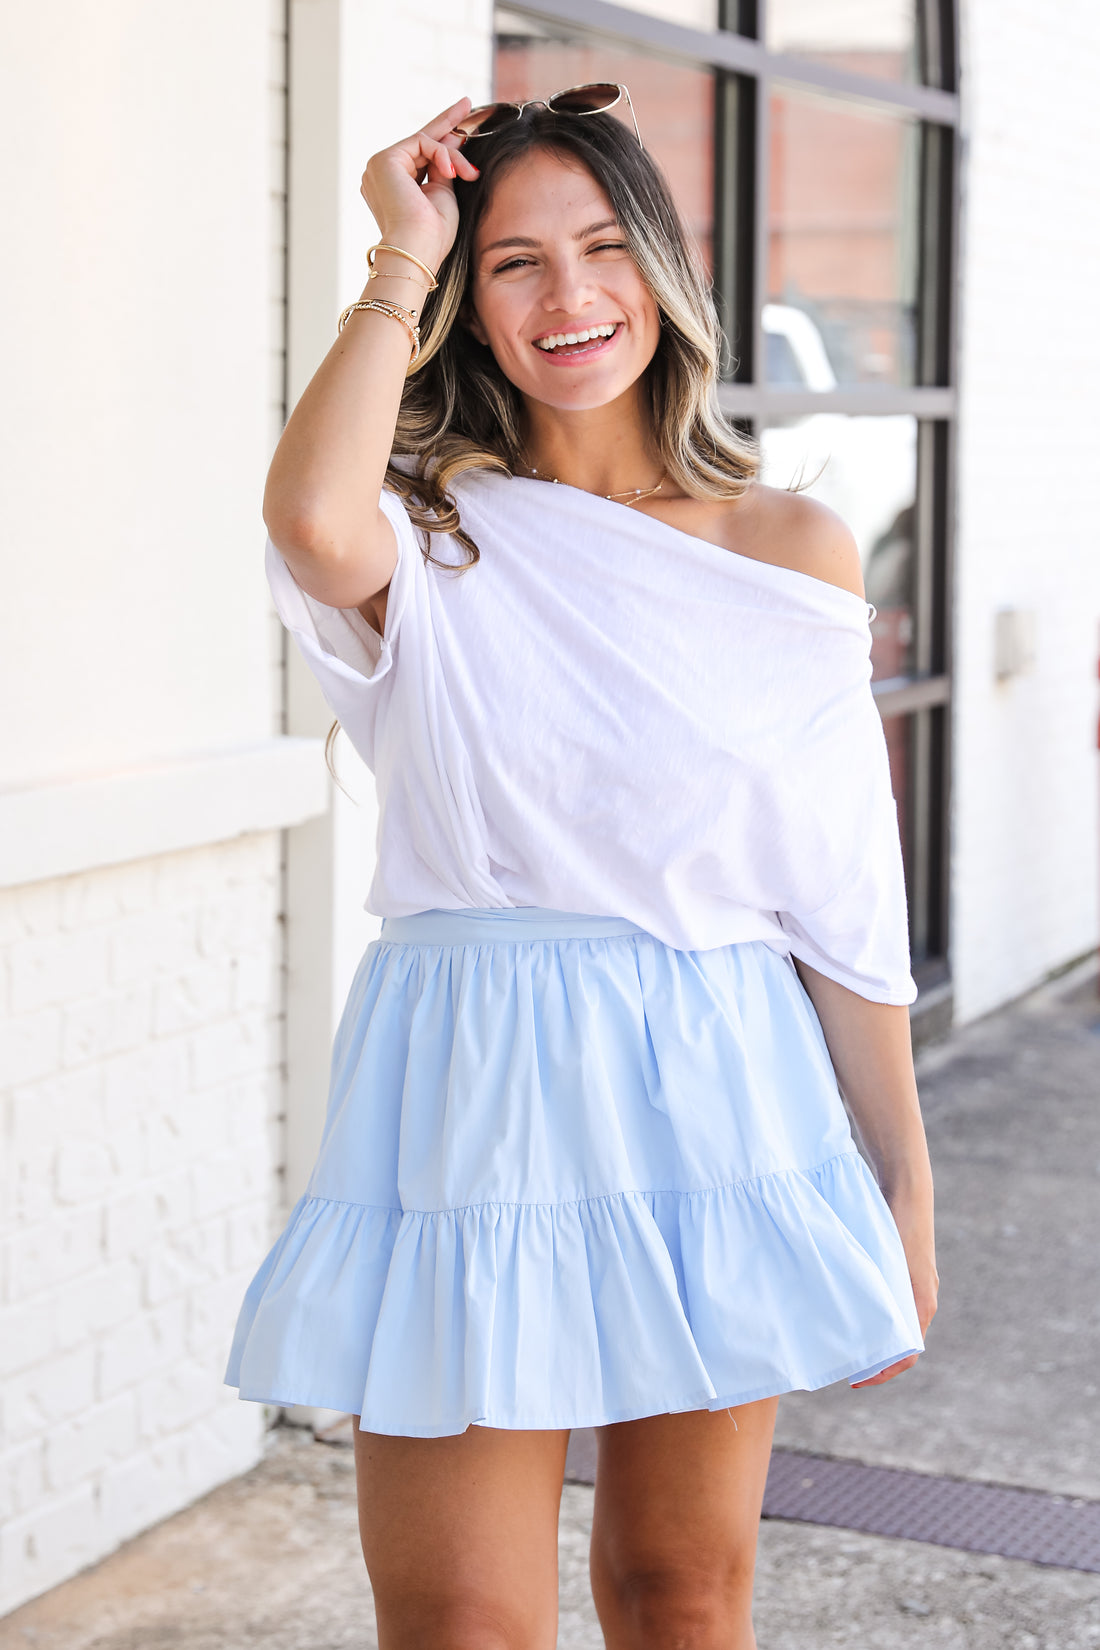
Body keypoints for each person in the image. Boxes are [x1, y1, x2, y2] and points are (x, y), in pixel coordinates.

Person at [225, 87, 938, 1650]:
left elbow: (838, 887)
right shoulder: (427, 530)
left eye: (605, 247)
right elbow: (307, 519)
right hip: (470, 1084)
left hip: (718, 1072)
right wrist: (399, 249)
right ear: (468, 303)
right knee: (461, 1620)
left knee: (681, 1592)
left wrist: (899, 1172)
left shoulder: (788, 545)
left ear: (663, 269)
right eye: (514, 262)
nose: (570, 296)